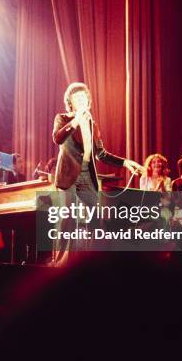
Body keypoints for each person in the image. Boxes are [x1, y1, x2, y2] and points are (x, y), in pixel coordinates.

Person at [52, 82, 144, 264]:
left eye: (83, 97)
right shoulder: (62, 119)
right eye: (76, 98)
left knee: (96, 217)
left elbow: (101, 153)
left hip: (87, 173)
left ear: (88, 101)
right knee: (68, 219)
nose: (81, 100)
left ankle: (94, 262)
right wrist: (75, 120)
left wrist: (125, 162)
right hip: (68, 174)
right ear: (70, 102)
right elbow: (57, 138)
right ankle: (60, 263)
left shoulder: (93, 124)